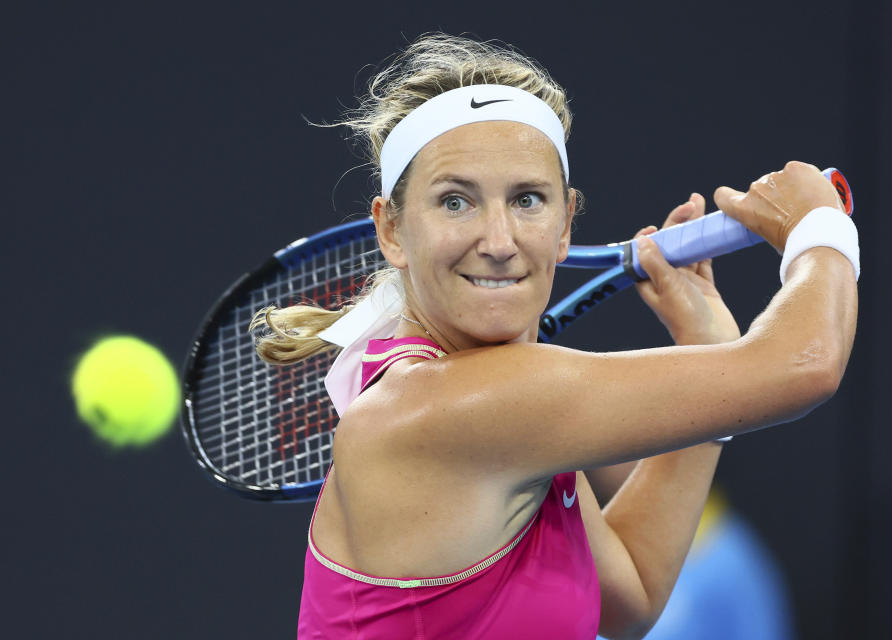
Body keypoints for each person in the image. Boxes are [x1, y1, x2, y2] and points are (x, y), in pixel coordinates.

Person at [251, 34, 859, 639]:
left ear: (566, 223)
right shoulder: (457, 405)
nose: (498, 240)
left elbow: (629, 600)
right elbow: (804, 365)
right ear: (390, 230)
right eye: (456, 202)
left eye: (527, 200)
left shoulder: (497, 416)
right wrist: (819, 228)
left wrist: (708, 350)